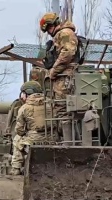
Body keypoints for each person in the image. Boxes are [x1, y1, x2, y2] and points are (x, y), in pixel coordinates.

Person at [39, 12, 78, 144]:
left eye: (48, 29)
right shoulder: (61, 34)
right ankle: (67, 142)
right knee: (61, 111)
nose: (48, 32)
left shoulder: (65, 33)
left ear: (52, 25)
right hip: (63, 77)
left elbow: (67, 52)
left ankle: (69, 145)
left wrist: (54, 71)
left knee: (64, 110)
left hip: (65, 77)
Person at [10, 81, 48, 175]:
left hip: (33, 139)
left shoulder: (24, 108)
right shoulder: (51, 103)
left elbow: (19, 130)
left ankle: (16, 168)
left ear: (27, 93)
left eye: (23, 93)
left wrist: (25, 133)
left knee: (17, 139)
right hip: (52, 138)